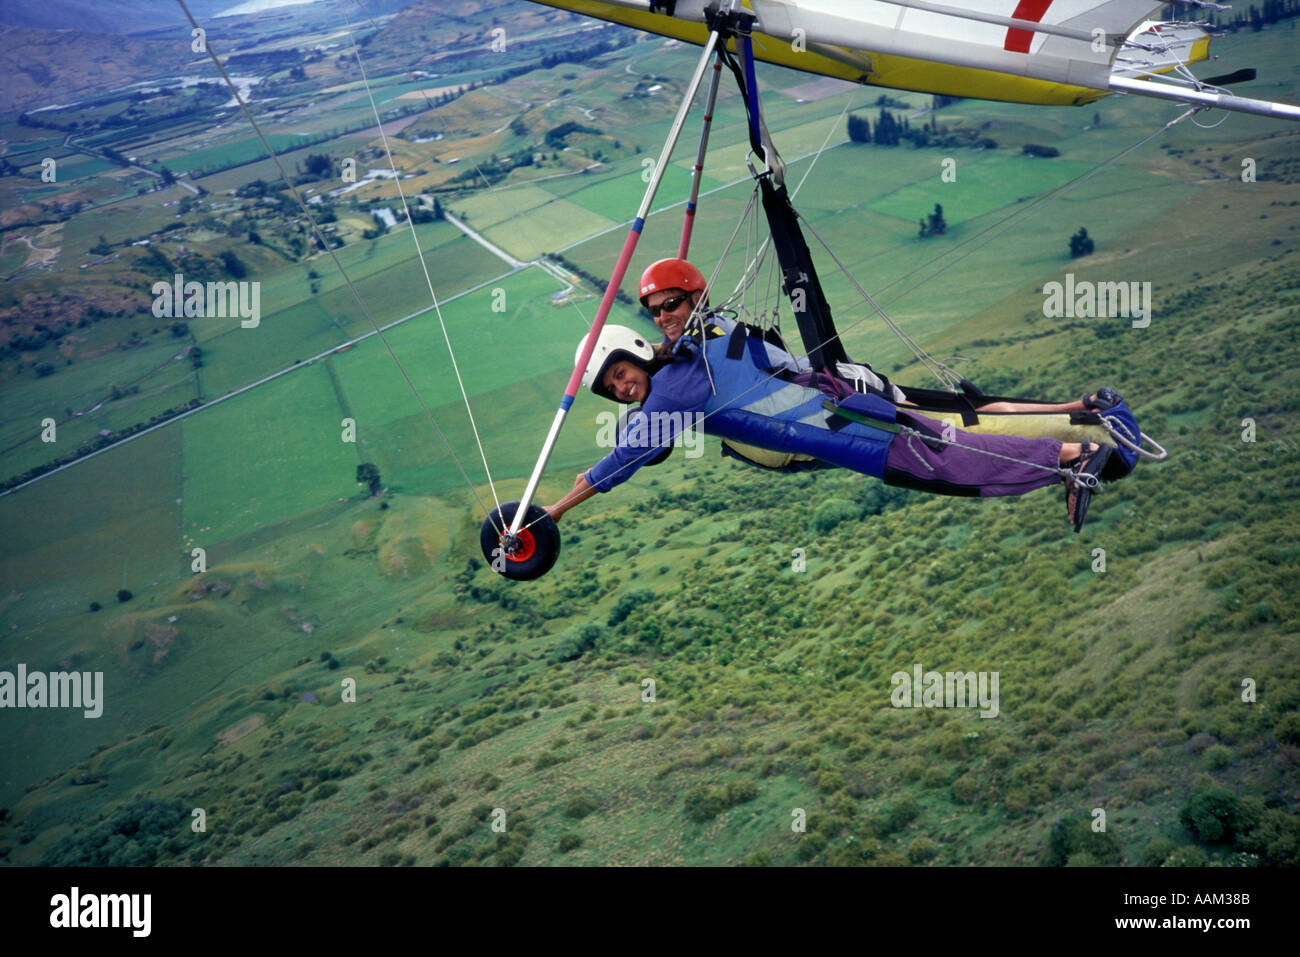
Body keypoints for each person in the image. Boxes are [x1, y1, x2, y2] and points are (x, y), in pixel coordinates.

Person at [544, 318, 1113, 532]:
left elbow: (617, 464)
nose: (622, 388)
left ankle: (1072, 458)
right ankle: (1070, 457)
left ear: (636, 352)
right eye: (611, 389)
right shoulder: (693, 351)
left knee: (951, 466)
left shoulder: (668, 397)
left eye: (619, 373)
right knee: (951, 442)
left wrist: (551, 514)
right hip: (846, 405)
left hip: (842, 431)